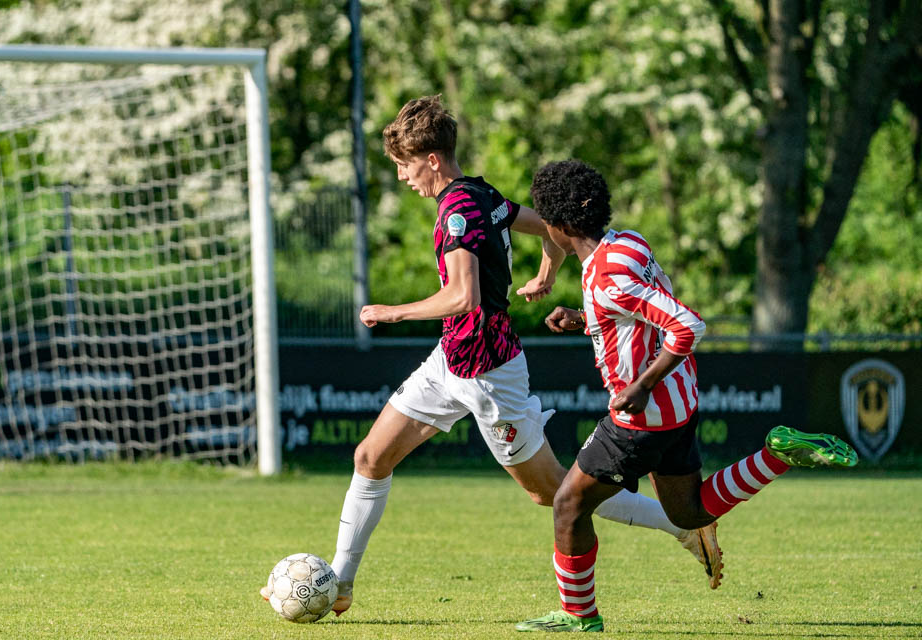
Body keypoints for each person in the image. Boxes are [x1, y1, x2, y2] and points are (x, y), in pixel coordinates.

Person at [267, 97, 720, 617]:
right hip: (451, 357)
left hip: (488, 370)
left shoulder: (460, 211)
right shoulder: (482, 195)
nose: (402, 177)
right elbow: (550, 225)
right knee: (370, 457)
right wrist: (547, 272)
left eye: (405, 165)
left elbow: (464, 297)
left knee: (553, 492)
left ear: (432, 159)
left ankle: (685, 525)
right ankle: (340, 584)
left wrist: (393, 311)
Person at [514, 159, 859, 633]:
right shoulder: (627, 244)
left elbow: (687, 324)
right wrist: (586, 319)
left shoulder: (606, 278)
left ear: (561, 226)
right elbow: (644, 310)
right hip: (679, 405)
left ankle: (579, 615)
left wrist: (641, 385)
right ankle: (776, 454)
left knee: (568, 505)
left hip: (641, 419)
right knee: (689, 510)